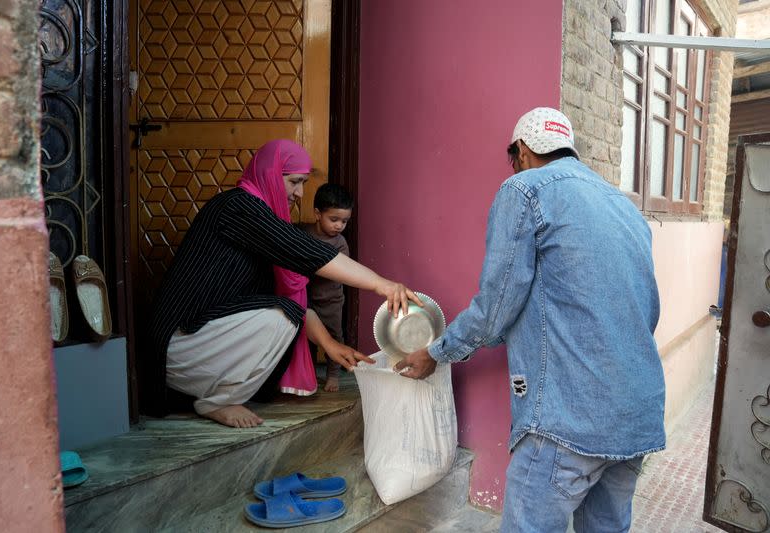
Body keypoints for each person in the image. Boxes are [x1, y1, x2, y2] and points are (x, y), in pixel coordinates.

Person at [395, 108, 665, 532]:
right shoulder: (624, 207)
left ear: (521, 151)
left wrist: (436, 352)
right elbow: (647, 312)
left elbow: (495, 307)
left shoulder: (524, 189)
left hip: (567, 418)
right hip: (636, 415)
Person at [146, 139, 421, 429]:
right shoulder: (238, 207)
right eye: (294, 182)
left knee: (286, 309)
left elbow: (296, 302)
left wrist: (330, 344)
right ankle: (217, 401)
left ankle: (216, 392)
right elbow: (306, 252)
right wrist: (382, 285)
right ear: (269, 174)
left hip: (201, 339)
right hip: (178, 343)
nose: (300, 193)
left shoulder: (257, 213)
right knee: (283, 313)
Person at [300, 183, 354, 392]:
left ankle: (333, 374)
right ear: (317, 213)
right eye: (334, 219)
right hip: (306, 298)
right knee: (307, 338)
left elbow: (340, 270)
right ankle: (309, 371)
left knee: (333, 337)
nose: (339, 225)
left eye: (344, 221)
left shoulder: (340, 244)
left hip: (331, 300)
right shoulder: (302, 233)